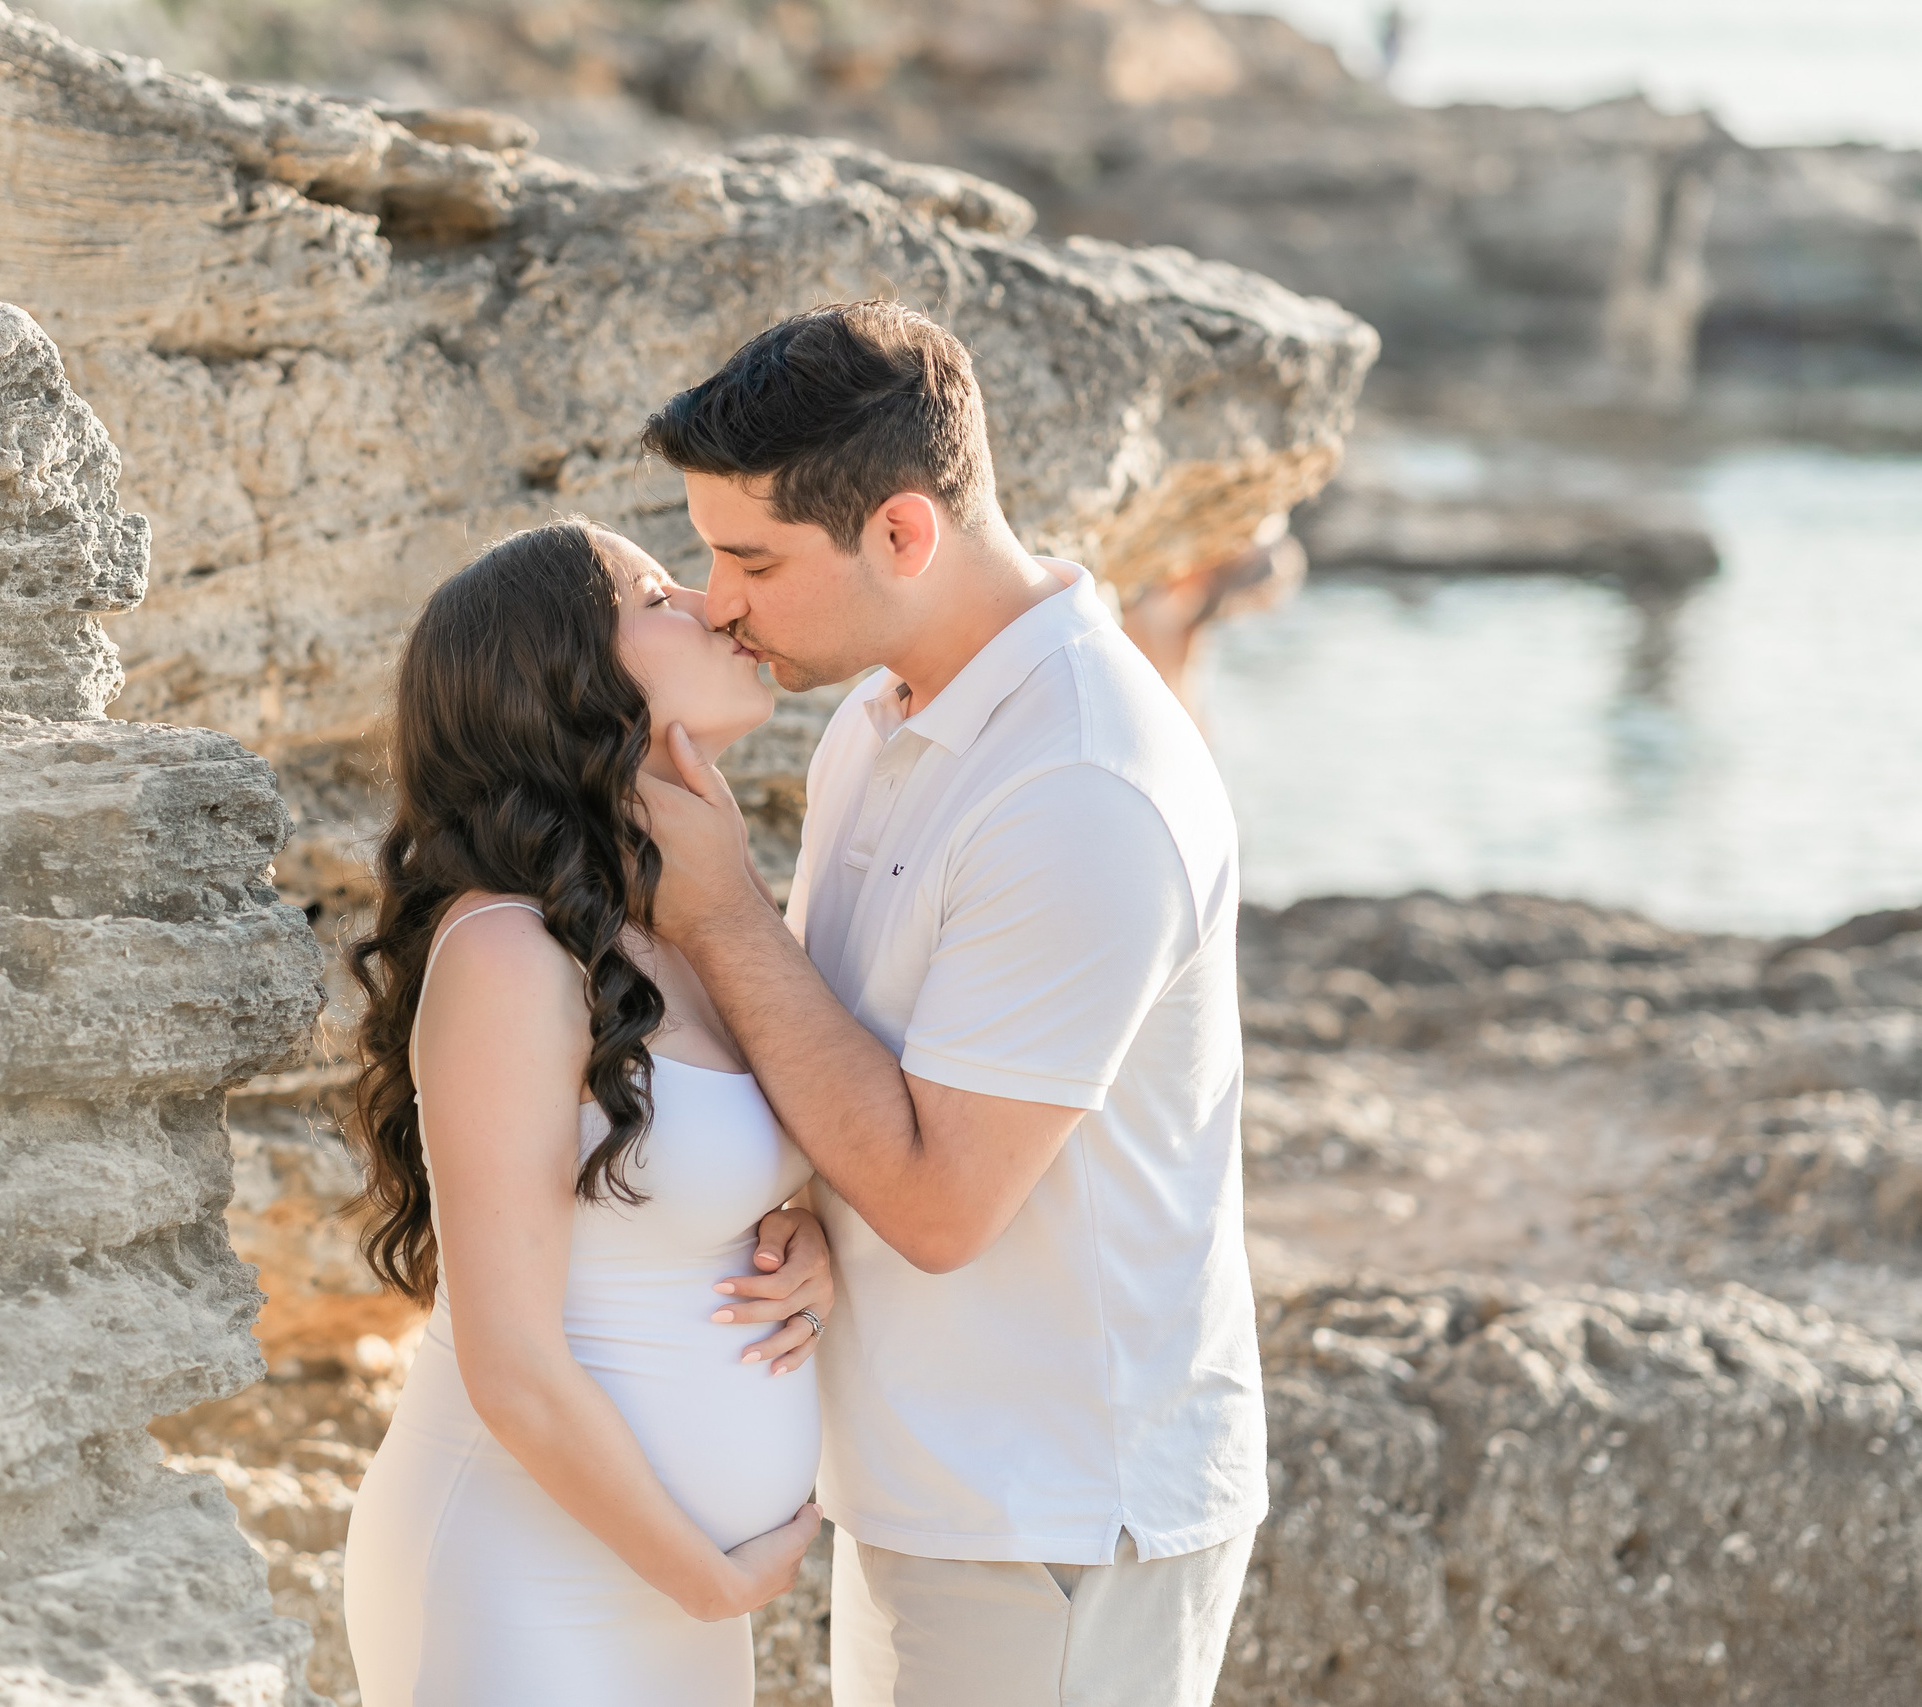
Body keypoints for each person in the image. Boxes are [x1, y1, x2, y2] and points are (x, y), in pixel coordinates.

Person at [633, 301, 1265, 1706]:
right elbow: (848, 1063)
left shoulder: (1081, 786)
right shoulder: (884, 711)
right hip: (938, 1481)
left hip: (1054, 1511)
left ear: (903, 535)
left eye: (751, 557)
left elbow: (937, 1201)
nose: (717, 599)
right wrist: (796, 1209)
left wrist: (723, 907)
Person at [338, 520, 836, 1706]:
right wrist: (703, 1583)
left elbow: (723, 1166)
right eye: (659, 593)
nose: (717, 606)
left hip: (667, 1580)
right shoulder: (509, 954)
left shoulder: (689, 915)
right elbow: (511, 1364)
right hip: (526, 1580)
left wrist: (811, 1231)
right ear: (566, 676)